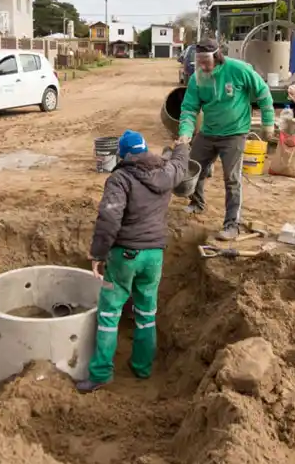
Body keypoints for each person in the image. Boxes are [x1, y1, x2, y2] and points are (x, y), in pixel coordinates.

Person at [76, 130, 190, 393]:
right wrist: (182, 146)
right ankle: (142, 367)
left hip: (125, 256)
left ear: (124, 154)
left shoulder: (120, 179)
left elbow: (109, 219)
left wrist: (98, 255)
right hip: (154, 256)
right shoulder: (166, 172)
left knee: (109, 313)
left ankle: (101, 373)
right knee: (146, 312)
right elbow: (180, 164)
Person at [177, 38, 276, 240]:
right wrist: (185, 132)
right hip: (208, 131)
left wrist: (268, 122)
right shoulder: (198, 78)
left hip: (234, 133)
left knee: (232, 179)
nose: (203, 65)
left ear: (217, 56)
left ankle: (232, 224)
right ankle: (197, 203)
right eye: (200, 60)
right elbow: (189, 108)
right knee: (195, 168)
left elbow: (263, 92)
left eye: (206, 60)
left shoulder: (239, 69)